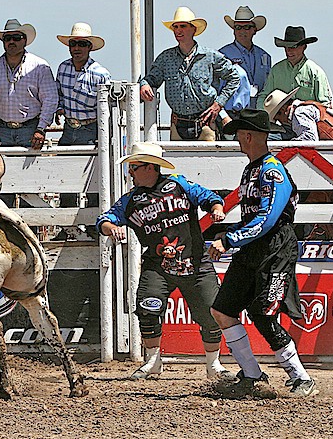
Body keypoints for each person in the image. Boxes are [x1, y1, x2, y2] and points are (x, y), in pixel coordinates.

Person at [96, 142, 233, 381]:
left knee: (212, 312)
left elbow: (209, 197)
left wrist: (217, 209)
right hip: (157, 265)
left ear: (151, 167)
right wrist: (112, 227)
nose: (130, 172)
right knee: (147, 309)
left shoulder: (178, 184)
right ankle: (153, 361)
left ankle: (214, 365)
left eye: (134, 167)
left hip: (196, 262)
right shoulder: (131, 200)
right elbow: (104, 220)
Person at [209, 109, 318, 397]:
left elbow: (268, 218)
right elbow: (254, 218)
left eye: (239, 135)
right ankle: (252, 374)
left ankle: (300, 377)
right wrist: (230, 235)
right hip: (253, 248)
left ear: (248, 135)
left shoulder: (272, 170)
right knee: (222, 310)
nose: (237, 141)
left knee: (262, 313)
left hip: (275, 250)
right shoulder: (251, 170)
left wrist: (230, 239)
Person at [140, 7, 239, 141]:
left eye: (183, 26)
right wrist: (144, 85)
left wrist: (218, 104)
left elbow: (234, 77)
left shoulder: (210, 56)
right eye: (175, 27)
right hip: (178, 123)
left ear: (194, 29)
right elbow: (151, 79)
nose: (178, 30)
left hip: (205, 122)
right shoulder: (165, 58)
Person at [0, 19, 58, 149]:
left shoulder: (39, 67)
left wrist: (40, 129)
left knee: (33, 168)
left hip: (31, 129)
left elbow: (50, 99)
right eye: (7, 38)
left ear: (24, 41)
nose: (11, 42)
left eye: (16, 37)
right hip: (2, 129)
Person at [55, 22, 111, 145]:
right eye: (73, 44)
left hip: (91, 130)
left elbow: (107, 110)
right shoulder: (63, 68)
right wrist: (59, 108)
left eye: (82, 44)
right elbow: (58, 94)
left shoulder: (100, 74)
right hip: (69, 128)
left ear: (89, 47)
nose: (76, 48)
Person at [257, 26, 333, 109]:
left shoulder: (316, 72)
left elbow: (325, 105)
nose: (288, 51)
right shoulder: (276, 70)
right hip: (279, 120)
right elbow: (264, 97)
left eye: (293, 47)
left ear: (304, 47)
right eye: (286, 47)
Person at [219, 6, 271, 109]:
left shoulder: (264, 56)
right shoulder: (222, 56)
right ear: (234, 30)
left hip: (258, 112)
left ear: (254, 30)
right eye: (238, 27)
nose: (242, 31)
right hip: (234, 113)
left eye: (246, 27)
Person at [264, 88, 333, 141]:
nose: (280, 122)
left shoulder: (299, 112)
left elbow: (309, 139)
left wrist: (288, 145)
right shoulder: (303, 108)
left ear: (282, 109)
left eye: (278, 118)